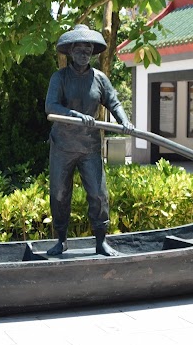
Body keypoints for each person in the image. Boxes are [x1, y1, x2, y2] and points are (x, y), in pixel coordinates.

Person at [45, 24, 133, 257]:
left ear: (92, 52)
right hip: (62, 146)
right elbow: (51, 106)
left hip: (90, 147)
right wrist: (75, 116)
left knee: (98, 194)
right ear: (71, 51)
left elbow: (114, 102)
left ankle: (101, 241)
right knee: (59, 194)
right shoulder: (60, 77)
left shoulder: (100, 79)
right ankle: (61, 240)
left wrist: (125, 122)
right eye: (79, 48)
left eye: (88, 49)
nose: (83, 53)